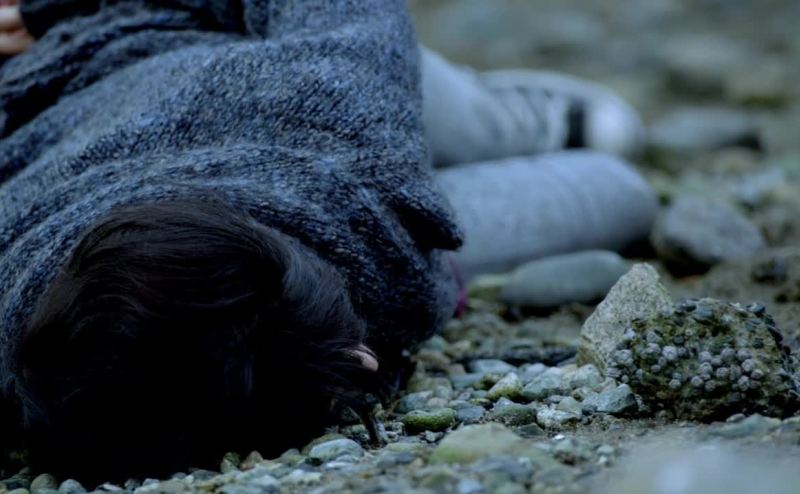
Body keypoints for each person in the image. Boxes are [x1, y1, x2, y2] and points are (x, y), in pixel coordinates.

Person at [0, 0, 651, 483]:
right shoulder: (39, 357)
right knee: (616, 192)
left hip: (207, 50)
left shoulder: (331, 99)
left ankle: (505, 118)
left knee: (555, 127)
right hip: (305, 171)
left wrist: (64, 10)